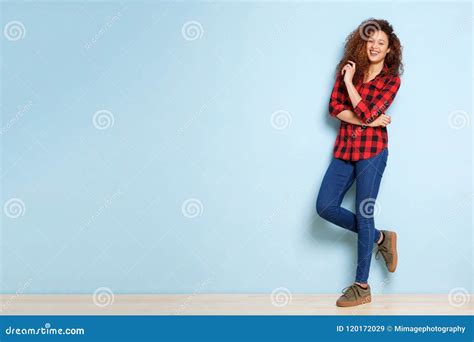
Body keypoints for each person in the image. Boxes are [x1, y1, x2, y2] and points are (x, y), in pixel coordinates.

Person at [316, 18, 403, 307]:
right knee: (325, 206)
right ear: (362, 43)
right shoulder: (348, 70)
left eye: (381, 42)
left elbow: (363, 111)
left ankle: (361, 286)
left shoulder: (391, 81)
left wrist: (351, 89)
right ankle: (381, 238)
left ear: (389, 50)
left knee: (364, 213)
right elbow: (334, 109)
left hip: (372, 153)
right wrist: (369, 119)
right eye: (371, 40)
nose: (375, 46)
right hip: (344, 149)